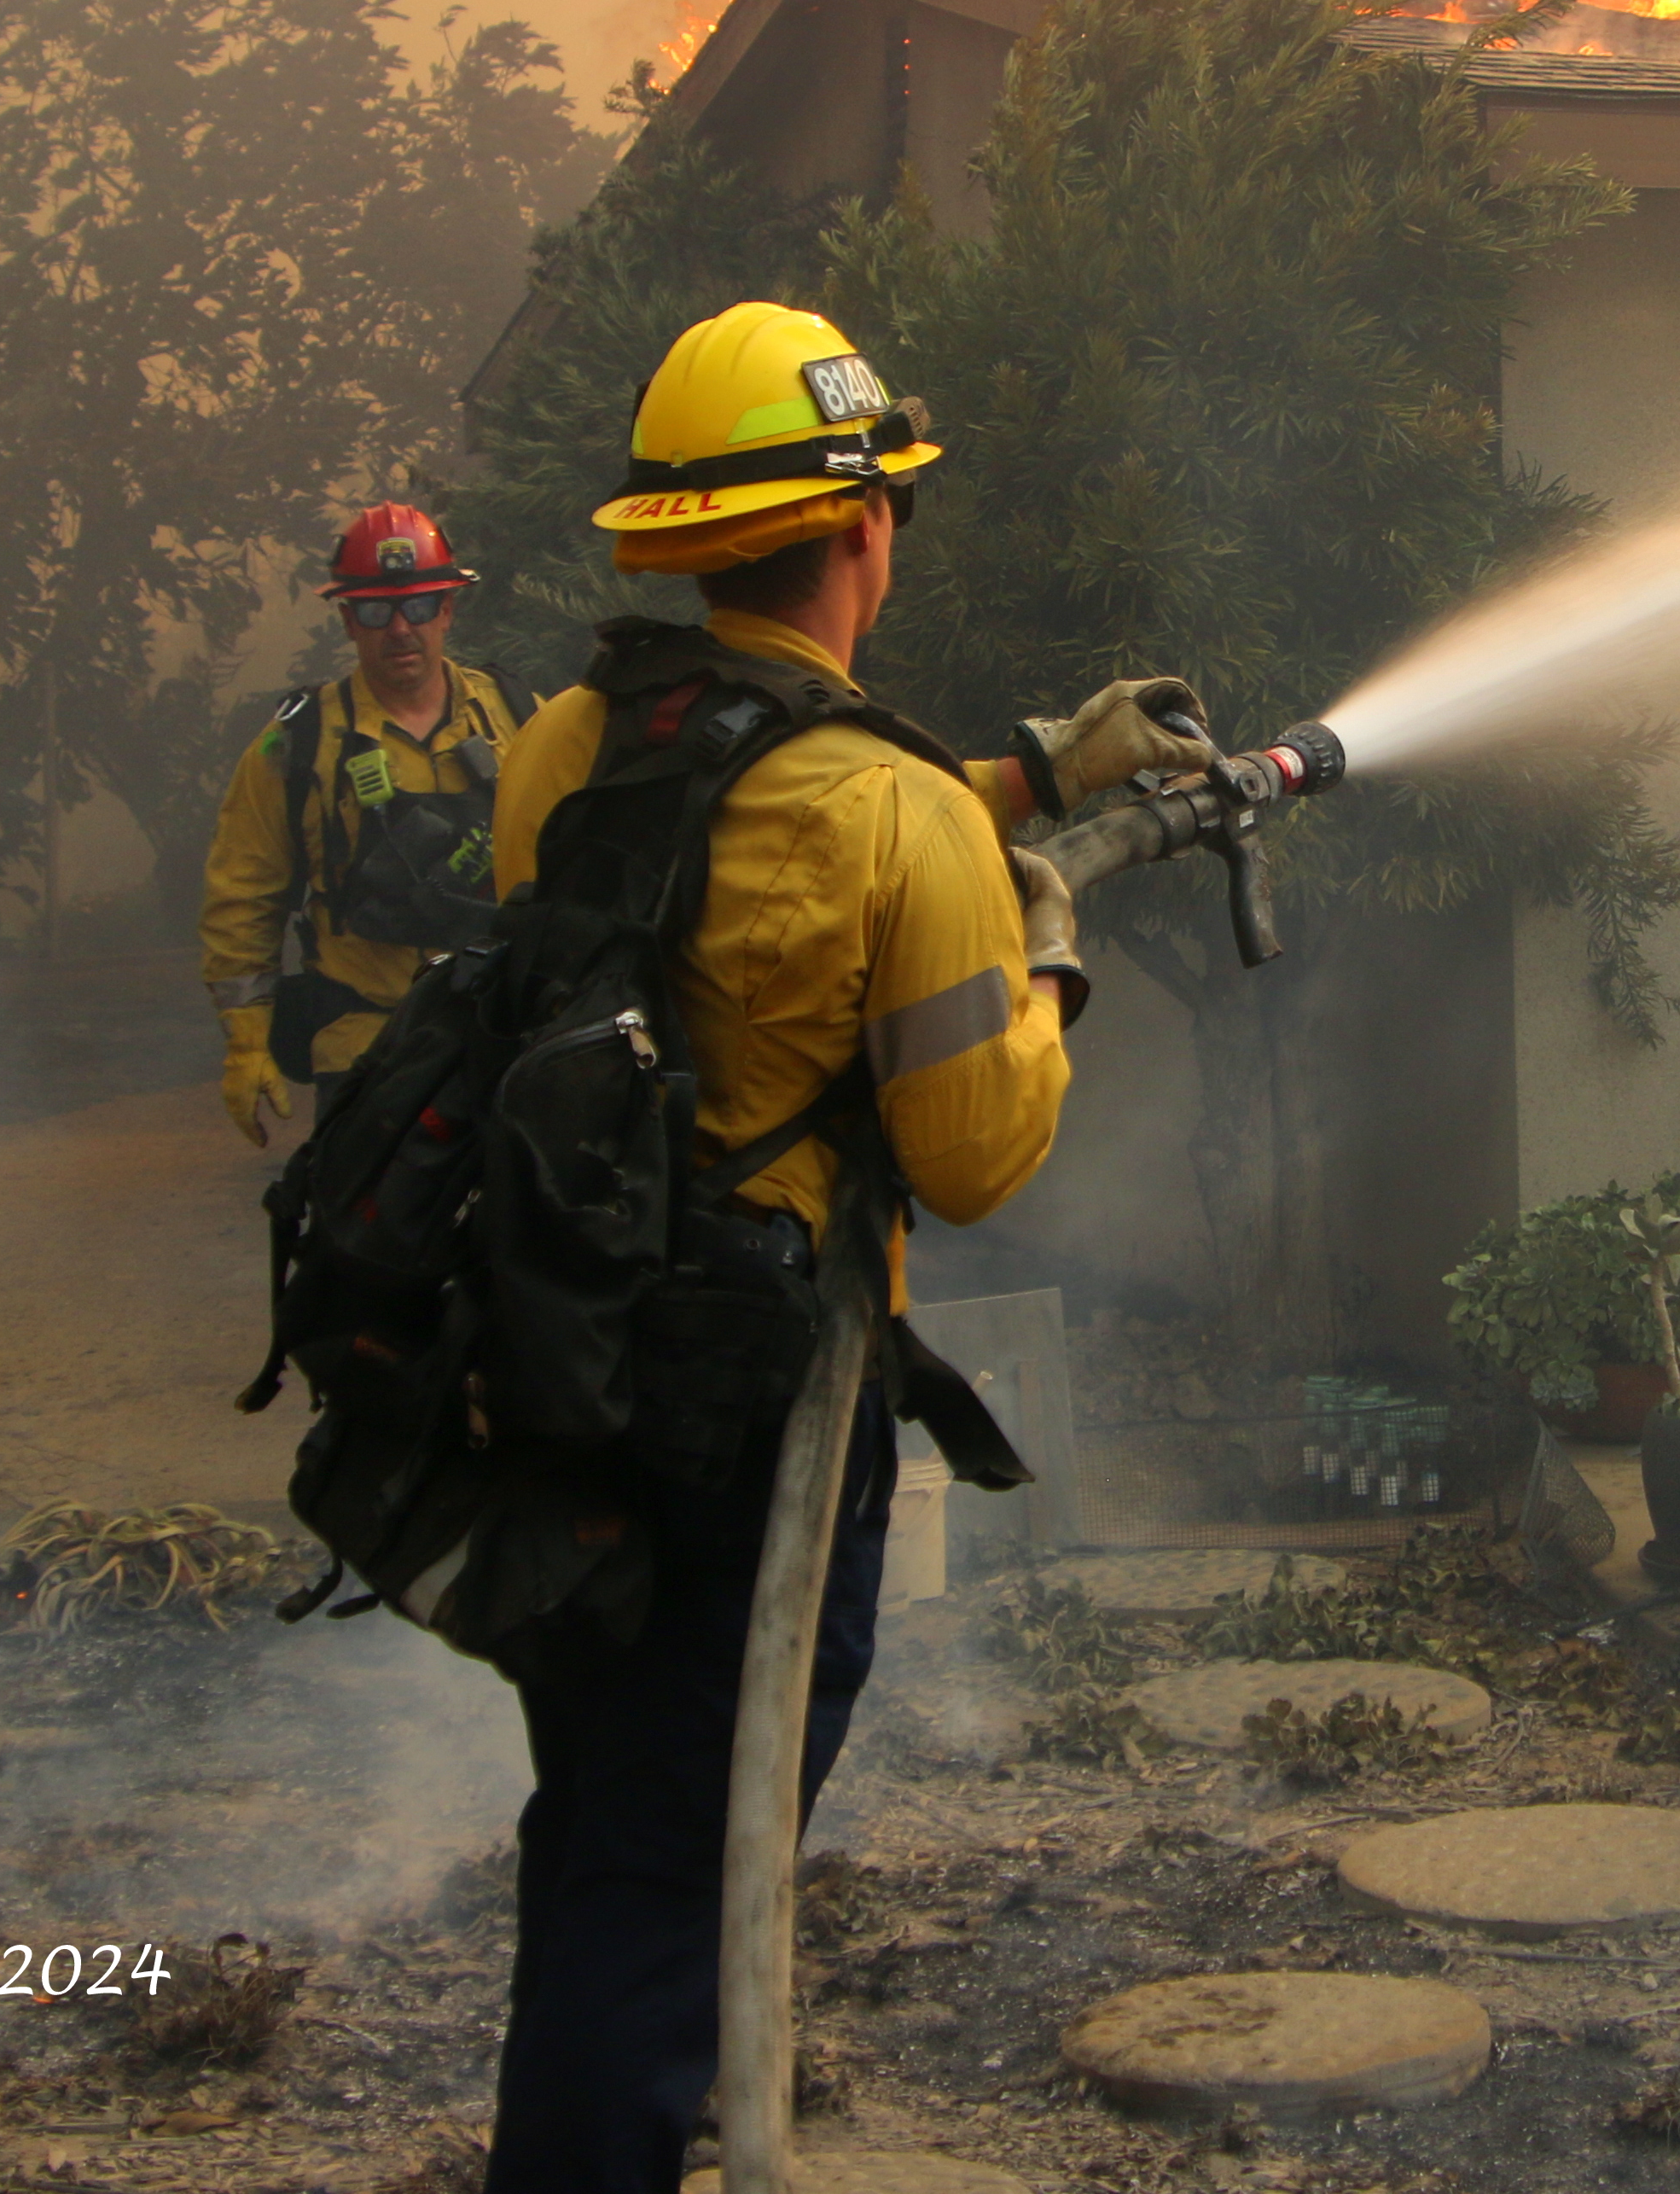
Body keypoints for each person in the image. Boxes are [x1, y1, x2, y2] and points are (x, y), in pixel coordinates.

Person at [479, 300, 1201, 2191]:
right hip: (757, 1426)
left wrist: (1036, 778)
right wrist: (1042, 954)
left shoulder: (566, 746)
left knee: (606, 1823)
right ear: (863, 531)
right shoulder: (895, 821)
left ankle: (620, 2092)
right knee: (676, 1870)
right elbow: (971, 1154)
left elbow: (744, 814)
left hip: (566, 1366)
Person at [202, 502, 527, 1143]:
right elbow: (243, 894)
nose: (400, 628)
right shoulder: (295, 746)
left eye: (420, 606)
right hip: (365, 1049)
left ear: (448, 610)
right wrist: (245, 1041)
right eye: (377, 611)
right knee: (370, 1238)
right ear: (349, 620)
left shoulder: (519, 715)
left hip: (504, 1040)